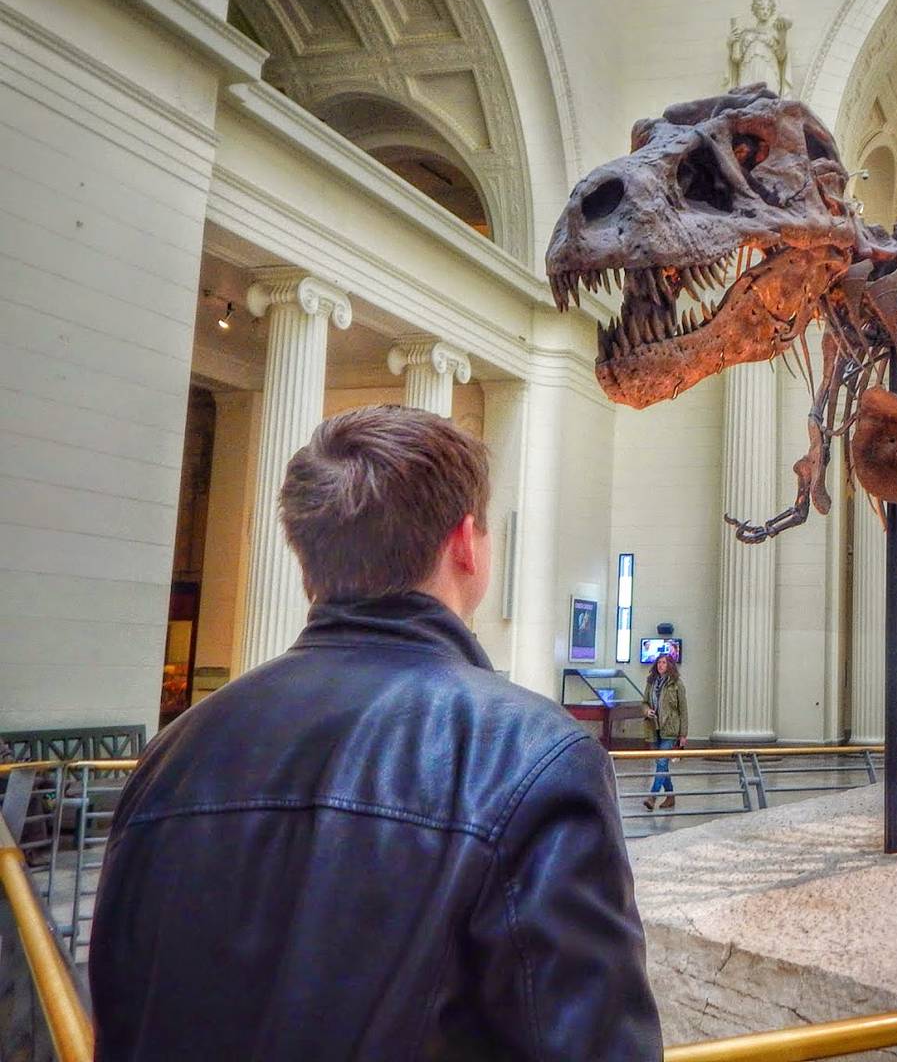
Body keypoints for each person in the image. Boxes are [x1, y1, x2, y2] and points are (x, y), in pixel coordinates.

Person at [89, 407, 661, 1060]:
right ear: (465, 543)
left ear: (307, 553)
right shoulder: (535, 757)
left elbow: (122, 1006)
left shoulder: (173, 753)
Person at [643, 653, 687, 811]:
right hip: (654, 728)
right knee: (662, 765)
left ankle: (652, 796)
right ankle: (670, 795)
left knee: (662, 762)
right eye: (659, 663)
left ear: (670, 665)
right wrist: (647, 710)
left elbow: (683, 710)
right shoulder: (651, 682)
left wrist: (683, 734)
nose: (660, 665)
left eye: (664, 662)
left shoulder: (677, 684)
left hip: (670, 729)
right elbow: (644, 702)